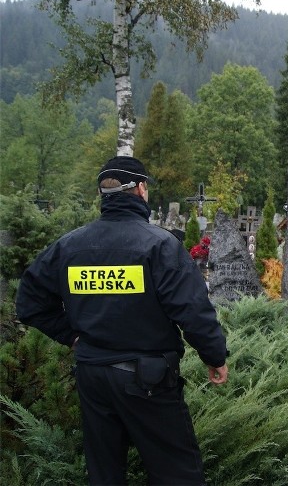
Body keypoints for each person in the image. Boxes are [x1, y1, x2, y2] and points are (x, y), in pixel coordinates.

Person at [16, 156, 229, 485]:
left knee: (105, 475)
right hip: (149, 379)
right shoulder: (159, 245)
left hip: (93, 376)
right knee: (177, 473)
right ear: (141, 189)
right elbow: (191, 309)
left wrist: (71, 336)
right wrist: (214, 356)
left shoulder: (68, 247)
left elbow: (29, 302)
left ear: (103, 195)